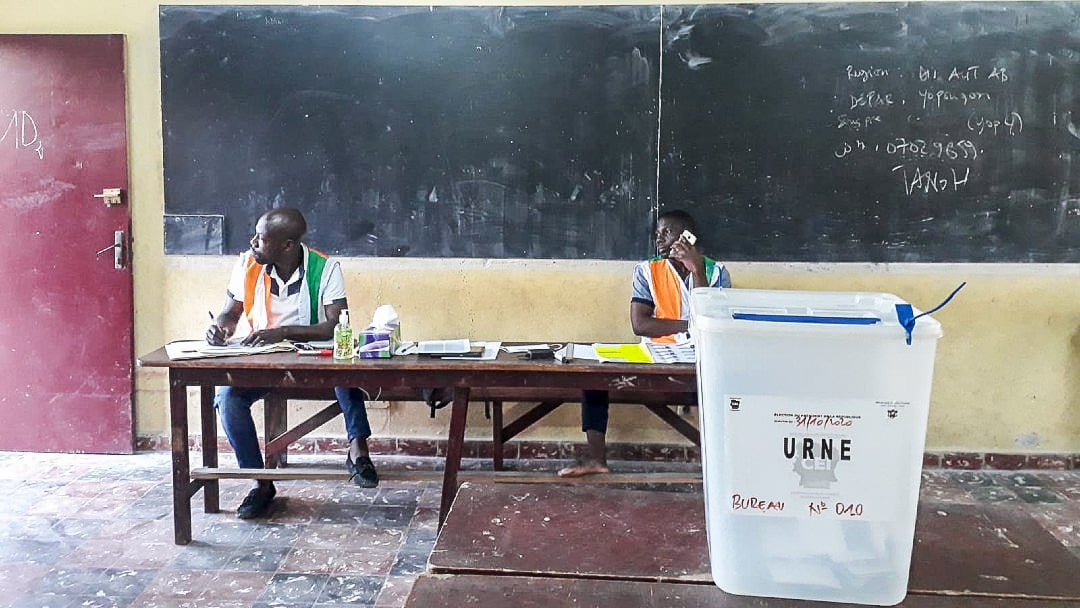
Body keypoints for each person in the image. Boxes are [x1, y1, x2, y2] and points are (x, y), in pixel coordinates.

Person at [206, 207, 378, 519]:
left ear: (287, 245)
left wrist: (283, 333)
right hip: (264, 363)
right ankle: (259, 482)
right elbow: (230, 313)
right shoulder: (248, 264)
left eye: (261, 239)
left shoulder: (325, 269)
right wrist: (220, 327)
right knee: (227, 396)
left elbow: (333, 325)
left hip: (314, 361)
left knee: (346, 369)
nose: (253, 242)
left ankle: (358, 452)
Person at [557, 209, 731, 477]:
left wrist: (696, 270)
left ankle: (720, 466)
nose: (659, 239)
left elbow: (713, 320)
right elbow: (641, 324)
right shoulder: (647, 270)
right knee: (595, 376)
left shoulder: (717, 272)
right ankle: (596, 459)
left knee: (724, 388)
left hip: (699, 358)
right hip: (653, 355)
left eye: (666, 233)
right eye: (657, 233)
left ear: (688, 238)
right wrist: (690, 326)